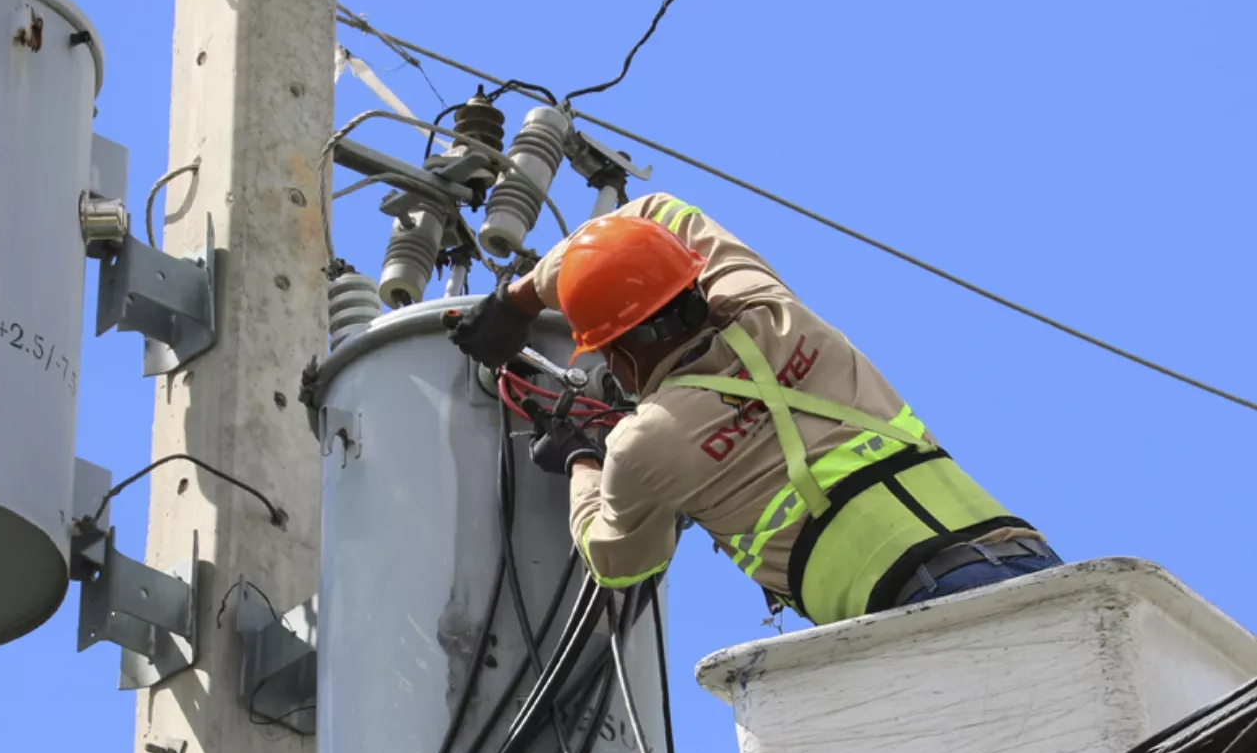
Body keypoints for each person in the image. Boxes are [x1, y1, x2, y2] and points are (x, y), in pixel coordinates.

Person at [448, 194, 1061, 625]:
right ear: (694, 285)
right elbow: (657, 211)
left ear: (618, 355)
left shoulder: (646, 445)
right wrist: (521, 297)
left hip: (912, 610)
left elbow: (619, 560)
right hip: (1026, 557)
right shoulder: (773, 312)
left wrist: (582, 458)